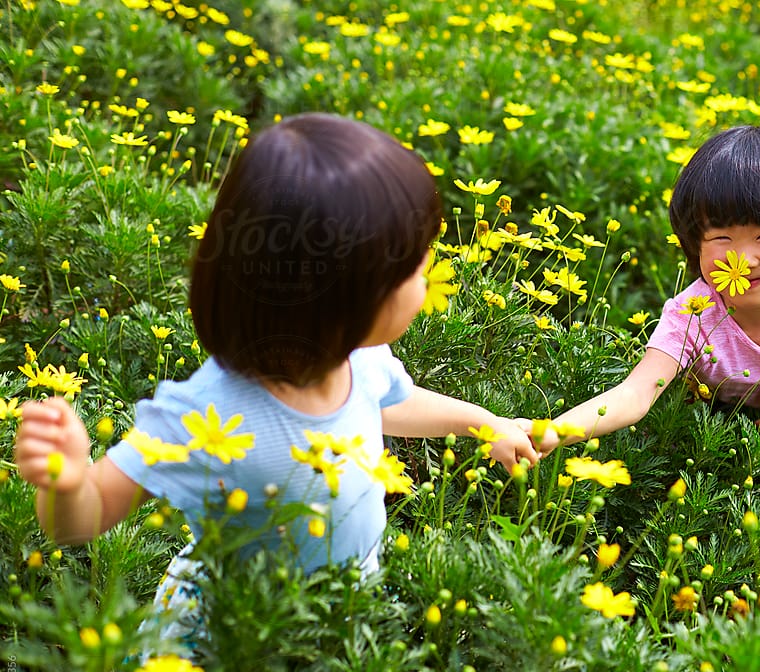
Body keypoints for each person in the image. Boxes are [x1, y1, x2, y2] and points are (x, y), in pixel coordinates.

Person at [14, 113, 538, 580]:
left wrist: (483, 423)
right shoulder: (210, 414)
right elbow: (89, 515)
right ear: (345, 295)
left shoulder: (357, 356)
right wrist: (66, 484)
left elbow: (396, 402)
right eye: (416, 264)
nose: (430, 268)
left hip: (332, 628)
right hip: (227, 654)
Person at [531, 125, 760, 456]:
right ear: (694, 242)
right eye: (721, 238)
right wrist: (552, 431)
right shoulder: (692, 317)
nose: (742, 260)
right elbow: (635, 394)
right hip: (720, 440)